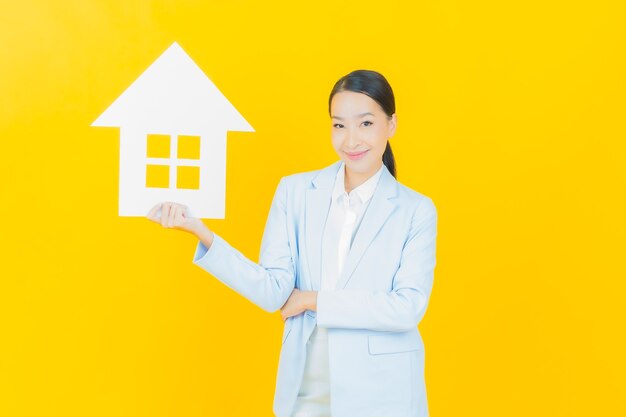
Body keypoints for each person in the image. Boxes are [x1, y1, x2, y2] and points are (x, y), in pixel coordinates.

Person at [147, 69, 438, 417]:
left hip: (383, 392)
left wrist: (313, 300)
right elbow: (272, 290)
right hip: (305, 386)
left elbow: (407, 307)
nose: (351, 140)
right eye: (338, 125)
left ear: (390, 125)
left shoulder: (416, 210)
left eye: (365, 124)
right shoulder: (295, 192)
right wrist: (201, 232)